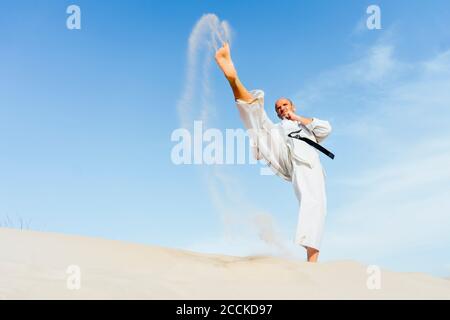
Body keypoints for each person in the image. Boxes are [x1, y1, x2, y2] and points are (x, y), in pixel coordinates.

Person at [214, 42, 332, 262]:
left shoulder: (307, 125)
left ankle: (311, 261)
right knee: (258, 119)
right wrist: (283, 125)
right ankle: (233, 78)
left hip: (306, 161)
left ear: (293, 106)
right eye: (278, 108)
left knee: (315, 206)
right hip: (287, 152)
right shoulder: (279, 127)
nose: (281, 109)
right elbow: (270, 130)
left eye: (284, 105)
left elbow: (326, 128)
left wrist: (297, 119)